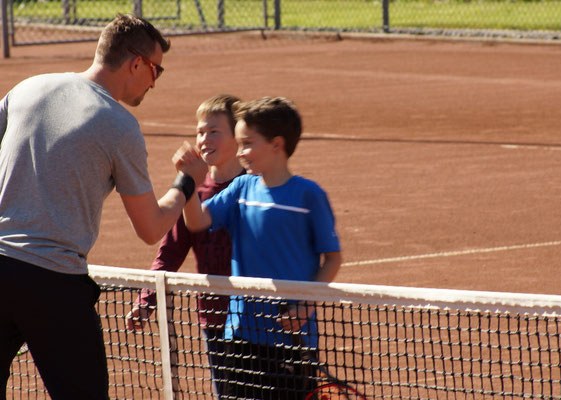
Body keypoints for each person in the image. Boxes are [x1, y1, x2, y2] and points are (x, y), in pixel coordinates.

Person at [0, 14, 198, 400]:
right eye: (156, 70)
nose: (154, 82)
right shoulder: (118, 125)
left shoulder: (28, 87)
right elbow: (150, 227)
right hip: (53, 281)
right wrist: (186, 182)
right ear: (136, 63)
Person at [173, 96, 343, 399]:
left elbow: (332, 258)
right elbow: (196, 221)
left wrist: (306, 306)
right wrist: (188, 183)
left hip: (291, 340)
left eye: (247, 144)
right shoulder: (241, 188)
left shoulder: (309, 196)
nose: (240, 152)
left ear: (276, 144)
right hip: (240, 334)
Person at [126, 94, 245, 398]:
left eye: (214, 131)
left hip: (258, 319)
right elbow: (170, 252)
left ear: (239, 136)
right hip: (215, 320)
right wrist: (146, 300)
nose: (203, 140)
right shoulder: (192, 193)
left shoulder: (256, 187)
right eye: (200, 132)